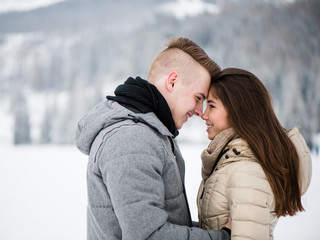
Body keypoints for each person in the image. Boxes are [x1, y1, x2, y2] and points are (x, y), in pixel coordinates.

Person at [75, 37, 231, 239]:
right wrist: (223, 238)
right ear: (172, 81)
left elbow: (167, 223)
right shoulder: (131, 139)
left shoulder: (153, 133)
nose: (200, 112)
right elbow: (149, 235)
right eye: (198, 98)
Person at [197, 68, 312, 239]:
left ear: (238, 110)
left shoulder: (247, 172)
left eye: (211, 106)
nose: (203, 114)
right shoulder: (233, 160)